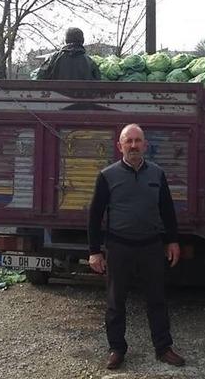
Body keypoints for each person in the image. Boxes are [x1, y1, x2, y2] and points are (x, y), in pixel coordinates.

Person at [87, 124, 185, 370]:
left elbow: (167, 210)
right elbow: (94, 215)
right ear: (119, 146)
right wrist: (94, 251)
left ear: (145, 145)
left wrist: (172, 240)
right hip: (119, 247)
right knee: (115, 302)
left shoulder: (157, 174)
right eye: (128, 141)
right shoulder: (107, 175)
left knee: (157, 300)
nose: (133, 145)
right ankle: (116, 349)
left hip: (151, 247)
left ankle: (163, 348)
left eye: (137, 141)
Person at [36, 27, 101, 80]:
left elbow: (39, 77)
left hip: (55, 95)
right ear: (82, 41)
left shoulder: (53, 58)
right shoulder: (90, 62)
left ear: (66, 40)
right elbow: (98, 81)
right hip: (83, 95)